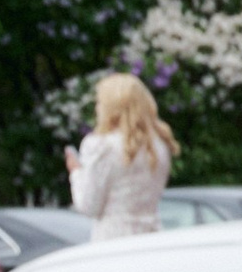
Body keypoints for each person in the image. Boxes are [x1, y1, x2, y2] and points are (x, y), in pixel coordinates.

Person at [67, 71, 176, 239]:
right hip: (152, 237)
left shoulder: (102, 145)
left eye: (99, 102)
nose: (97, 107)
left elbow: (88, 206)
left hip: (114, 238)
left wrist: (76, 172)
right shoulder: (159, 145)